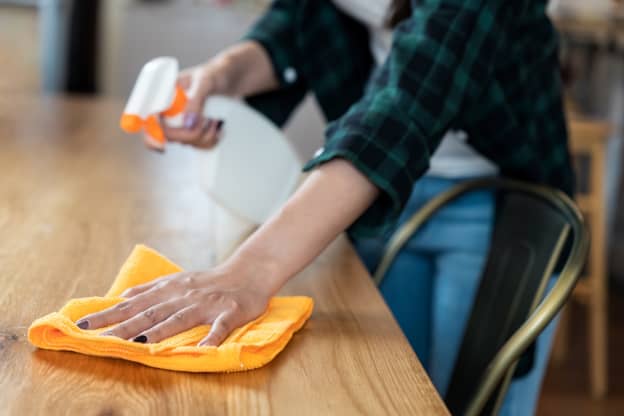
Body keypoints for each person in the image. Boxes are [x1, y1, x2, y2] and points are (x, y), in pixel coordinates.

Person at [76, 0, 573, 413]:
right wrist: (222, 76)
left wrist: (251, 269)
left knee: (477, 402)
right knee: (395, 398)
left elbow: (404, 107)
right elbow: (298, 22)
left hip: (499, 204)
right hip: (389, 201)